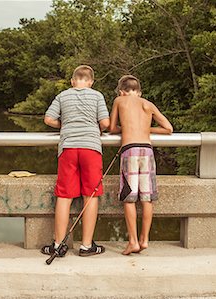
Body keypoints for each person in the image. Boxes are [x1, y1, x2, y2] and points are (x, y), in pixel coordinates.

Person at [41, 65, 110, 257]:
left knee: (64, 195)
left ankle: (57, 245)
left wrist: (65, 124)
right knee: (91, 195)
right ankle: (87, 246)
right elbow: (105, 123)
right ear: (90, 82)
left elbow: (48, 119)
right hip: (91, 148)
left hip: (69, 147)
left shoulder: (63, 95)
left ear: (73, 81)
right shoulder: (97, 96)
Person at [109, 75, 173, 255]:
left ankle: (133, 241)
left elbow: (112, 128)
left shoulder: (120, 101)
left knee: (129, 197)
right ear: (139, 92)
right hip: (147, 151)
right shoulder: (148, 104)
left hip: (130, 151)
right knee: (146, 198)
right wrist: (146, 129)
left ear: (122, 91)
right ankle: (145, 239)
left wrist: (127, 129)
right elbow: (168, 128)